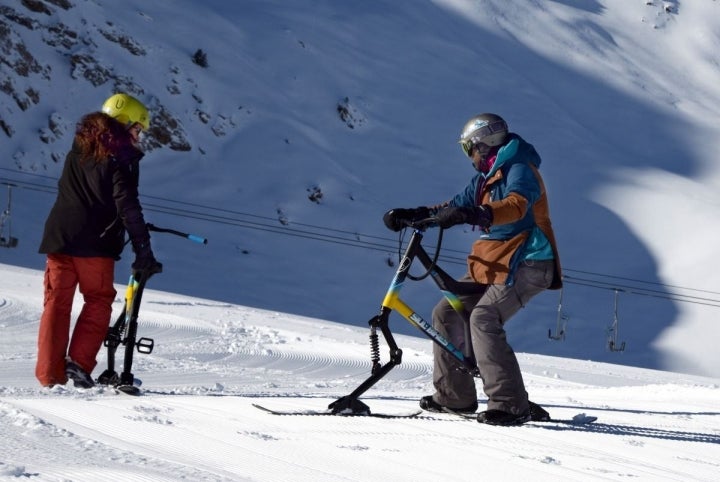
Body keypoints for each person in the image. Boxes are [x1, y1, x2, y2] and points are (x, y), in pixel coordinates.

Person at [383, 113, 562, 425]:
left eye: (469, 148)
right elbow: (455, 205)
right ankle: (455, 397)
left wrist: (478, 213)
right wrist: (417, 214)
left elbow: (517, 205)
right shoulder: (486, 177)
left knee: (483, 317)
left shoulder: (519, 167)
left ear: (486, 142)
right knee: (446, 313)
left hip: (528, 261)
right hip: (495, 261)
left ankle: (509, 404)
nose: (469, 156)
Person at [36, 93, 162, 389]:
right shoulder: (121, 159)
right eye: (138, 128)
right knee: (98, 300)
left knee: (56, 304)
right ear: (125, 123)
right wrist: (143, 248)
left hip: (59, 238)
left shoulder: (78, 149)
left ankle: (49, 377)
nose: (139, 135)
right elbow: (127, 205)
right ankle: (78, 364)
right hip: (96, 245)